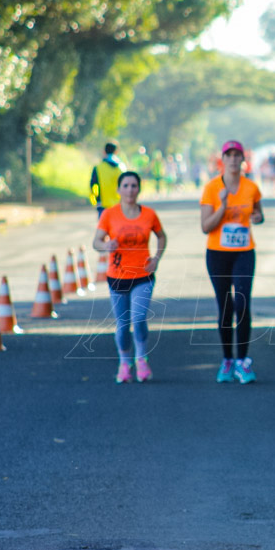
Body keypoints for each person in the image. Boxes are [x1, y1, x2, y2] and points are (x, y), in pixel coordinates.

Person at [92, 171, 167, 384]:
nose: (130, 190)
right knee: (123, 324)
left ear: (139, 189)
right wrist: (106, 245)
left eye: (134, 185)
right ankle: (124, 363)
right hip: (117, 276)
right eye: (125, 185)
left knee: (138, 317)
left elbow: (161, 236)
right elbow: (96, 241)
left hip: (142, 275)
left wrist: (157, 258)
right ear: (118, 189)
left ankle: (141, 358)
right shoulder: (109, 214)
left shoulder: (149, 215)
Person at [200, 140, 264, 384]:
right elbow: (206, 226)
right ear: (222, 159)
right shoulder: (211, 188)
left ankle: (242, 361)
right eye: (230, 155)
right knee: (225, 306)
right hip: (217, 253)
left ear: (243, 159)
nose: (234, 159)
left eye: (238, 155)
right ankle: (227, 359)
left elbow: (259, 214)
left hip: (244, 252)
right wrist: (223, 205)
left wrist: (257, 217)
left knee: (242, 303)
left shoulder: (251, 187)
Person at [90, 142, 127, 217]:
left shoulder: (98, 168)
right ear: (116, 151)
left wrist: (95, 201)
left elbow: (93, 186)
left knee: (104, 228)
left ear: (104, 151)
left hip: (103, 205)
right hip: (119, 204)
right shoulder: (122, 168)